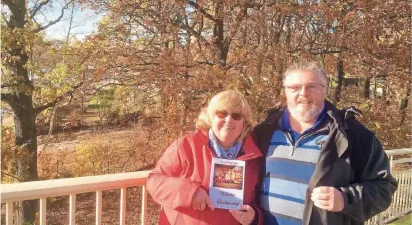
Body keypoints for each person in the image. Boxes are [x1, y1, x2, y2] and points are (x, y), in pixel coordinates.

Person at [253, 61, 398, 225]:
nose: (303, 93)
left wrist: (345, 199)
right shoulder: (263, 132)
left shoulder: (352, 135)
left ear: (324, 90)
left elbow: (383, 188)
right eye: (294, 88)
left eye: (311, 87)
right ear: (285, 92)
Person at [147, 90, 263, 225]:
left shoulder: (254, 157)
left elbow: (262, 202)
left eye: (236, 116)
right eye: (221, 114)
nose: (228, 120)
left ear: (244, 122)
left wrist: (254, 216)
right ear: (210, 117)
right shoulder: (186, 146)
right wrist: (190, 193)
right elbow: (154, 181)